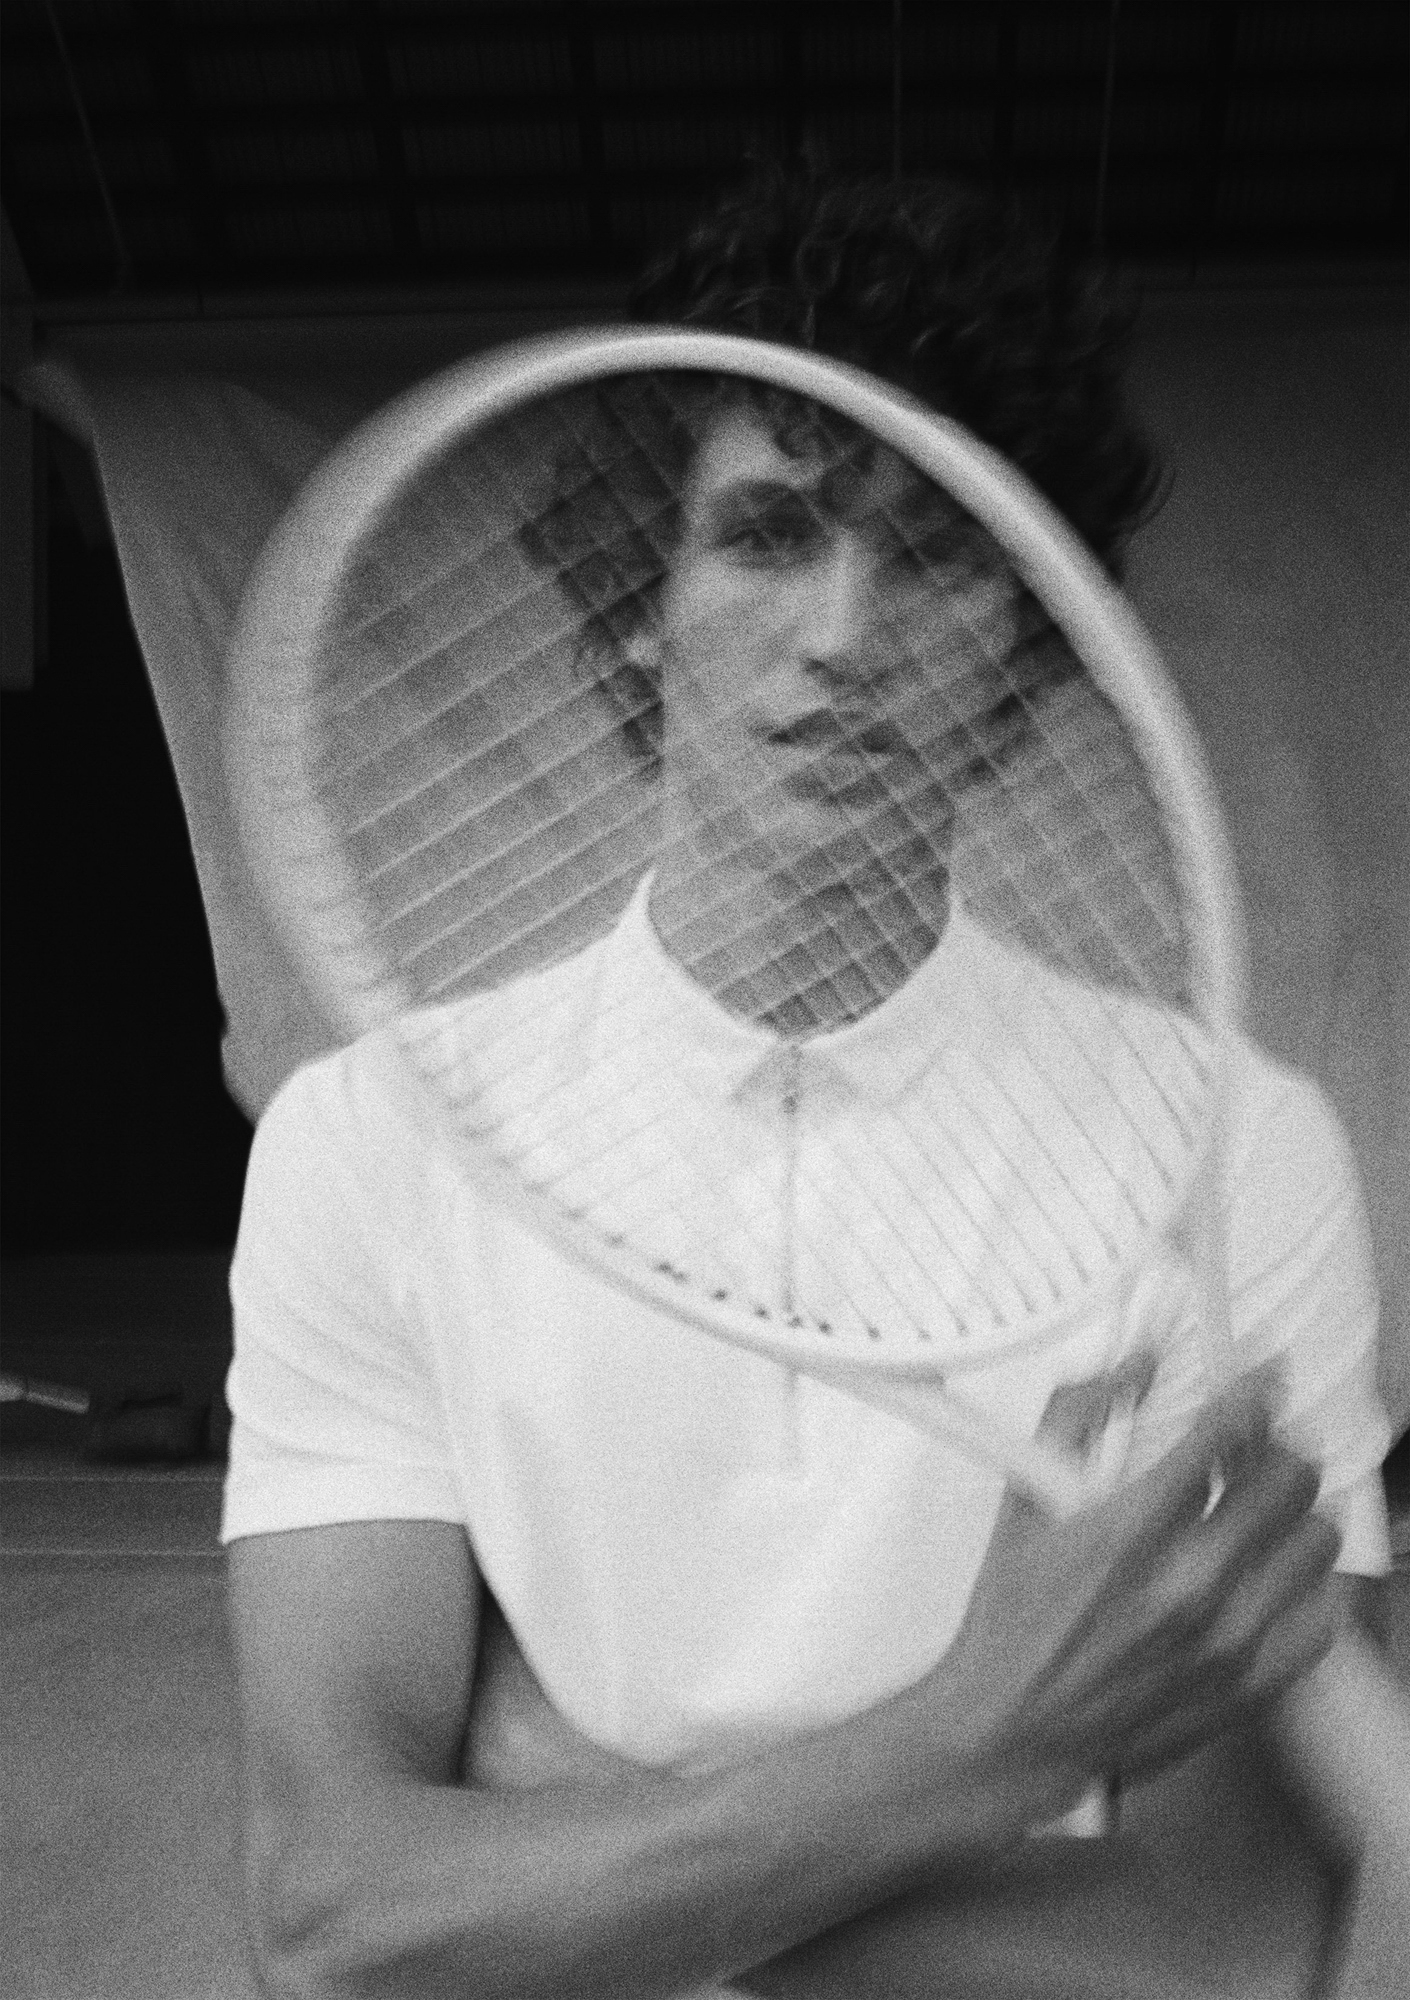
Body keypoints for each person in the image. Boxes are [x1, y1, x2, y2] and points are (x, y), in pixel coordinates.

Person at [221, 168, 1393, 1999]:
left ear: (1028, 636)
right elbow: (339, 1915)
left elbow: (1220, 1948)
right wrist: (979, 1748)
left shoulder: (1238, 1148)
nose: (847, 634)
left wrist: (568, 1841)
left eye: (934, 553)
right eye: (771, 531)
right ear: (637, 599)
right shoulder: (367, 1145)